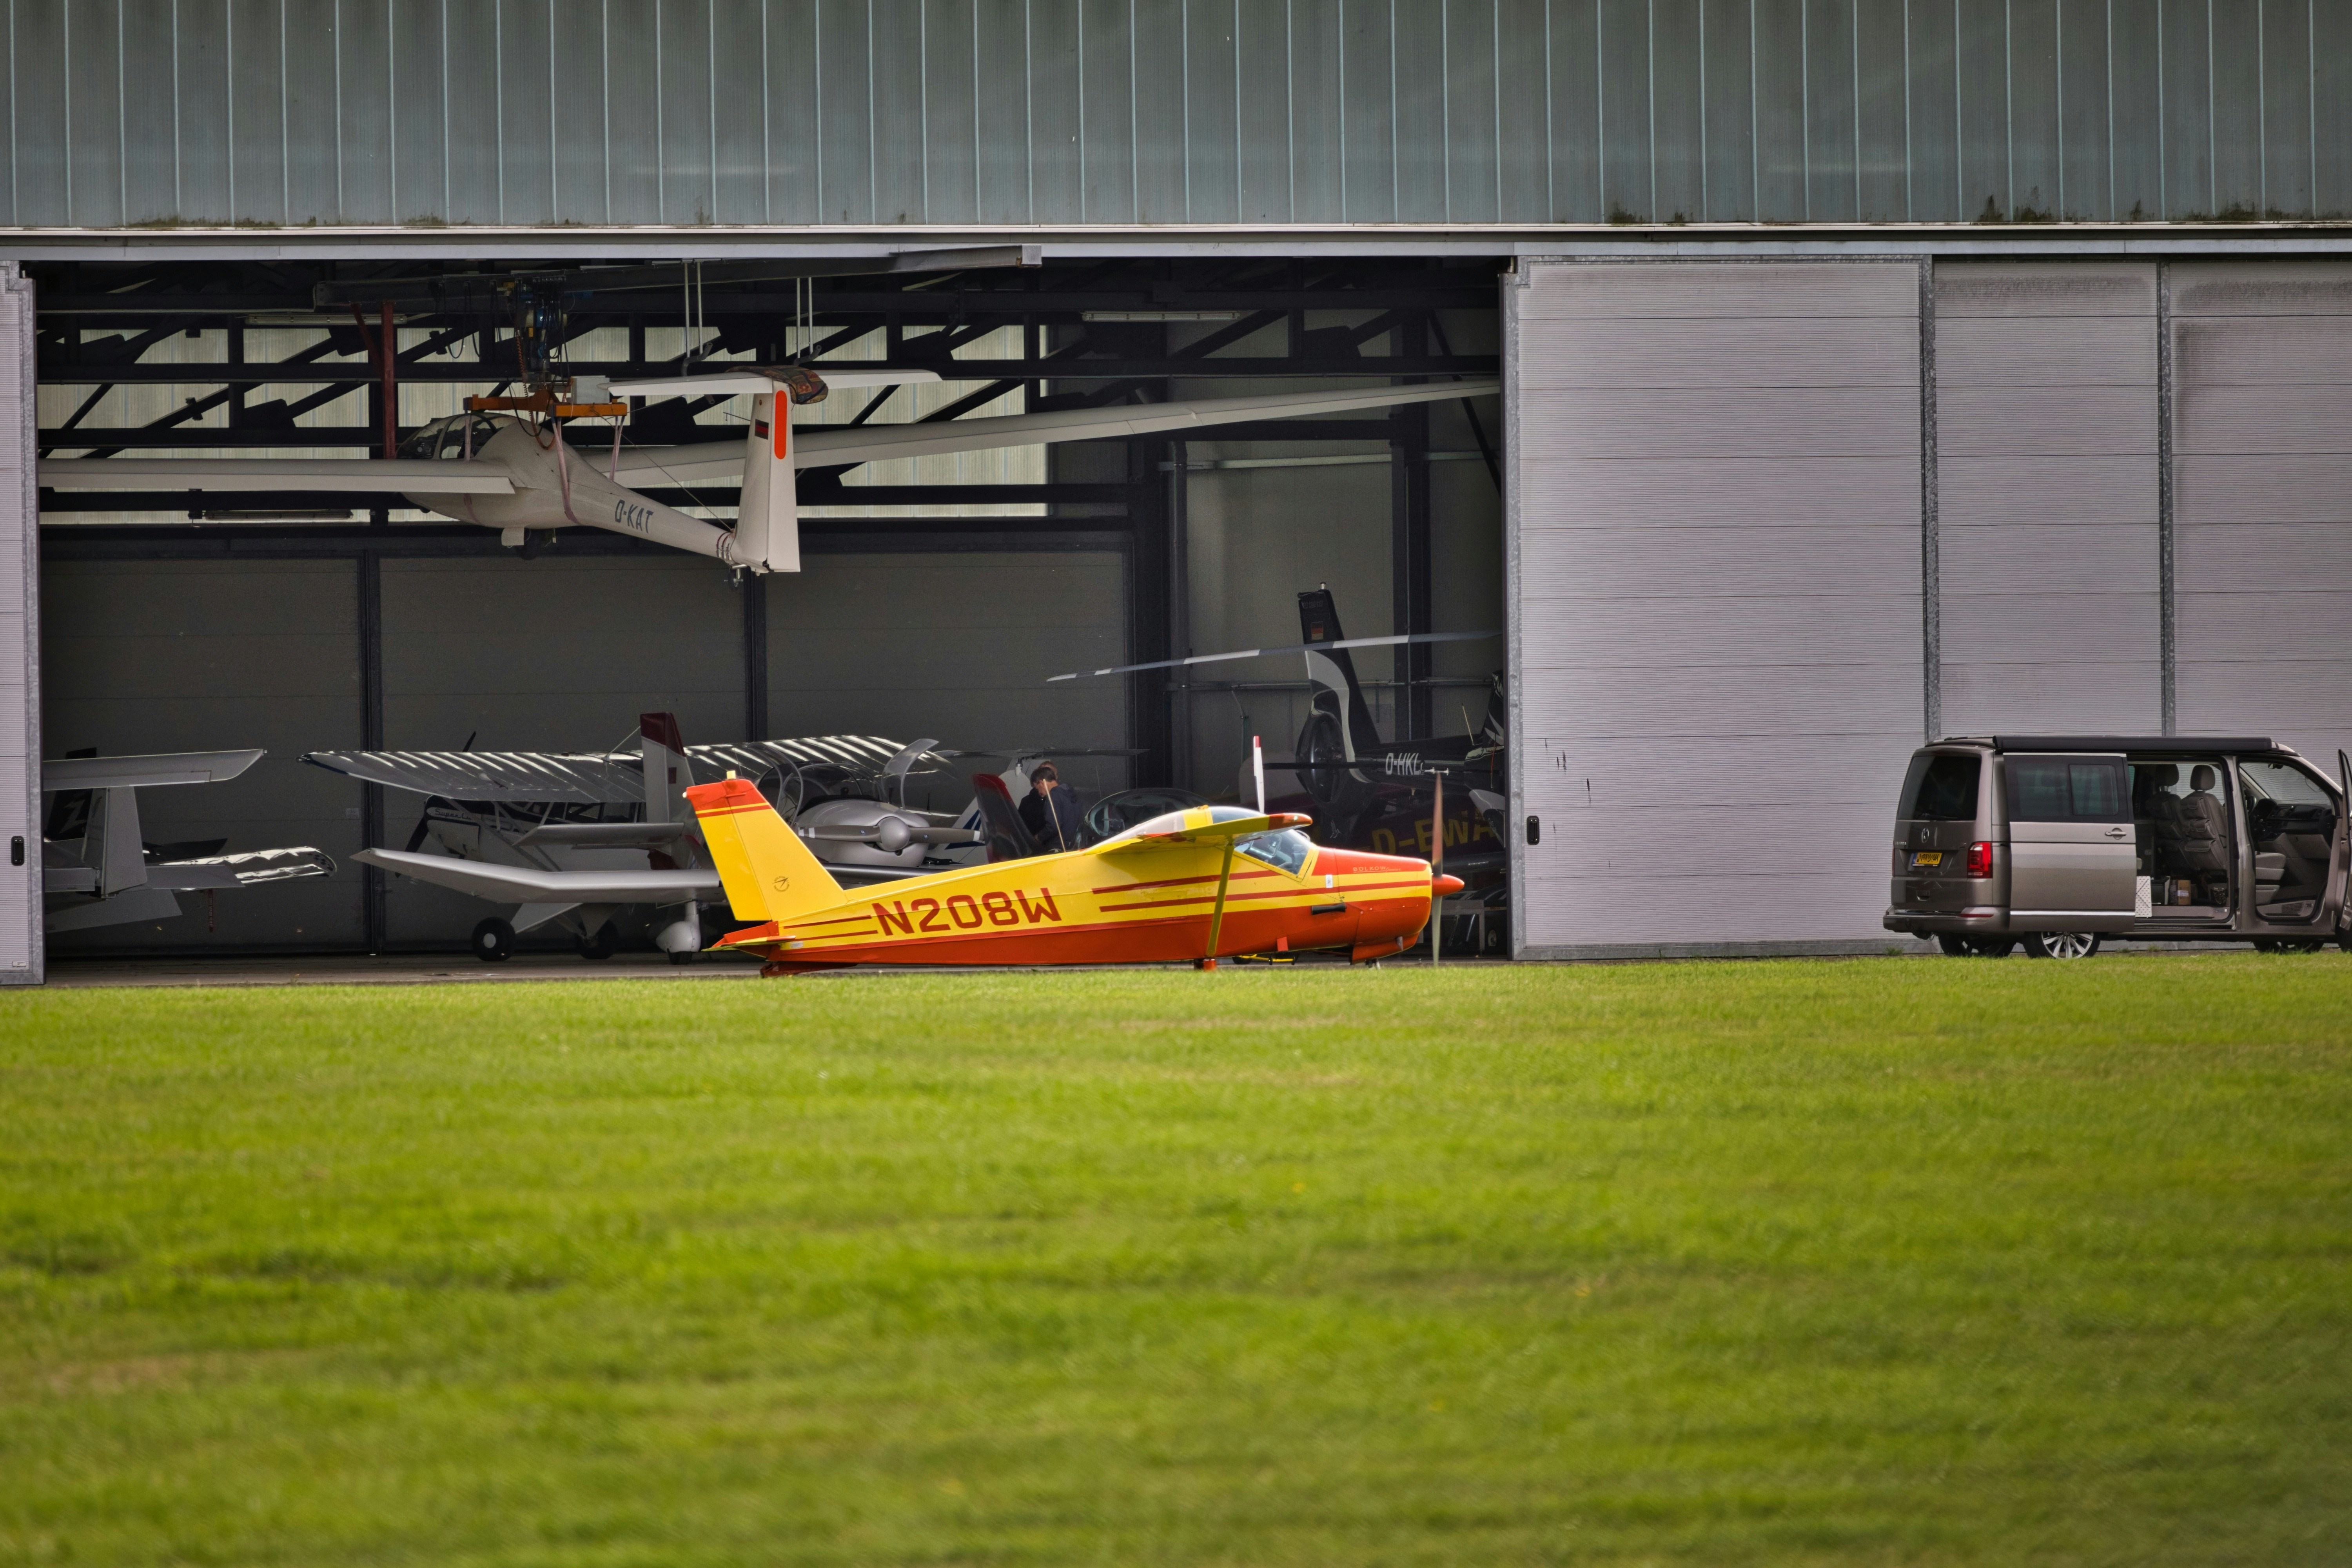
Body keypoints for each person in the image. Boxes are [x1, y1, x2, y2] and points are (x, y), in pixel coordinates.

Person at [1018, 762, 1083, 853]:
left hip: (1057, 847)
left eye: (1038, 789)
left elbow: (1054, 825)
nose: (1040, 793)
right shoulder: (1070, 794)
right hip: (1072, 846)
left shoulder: (1053, 795)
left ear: (1041, 783)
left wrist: (1038, 837)